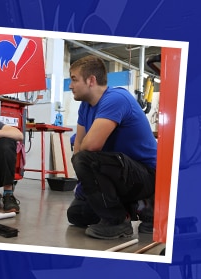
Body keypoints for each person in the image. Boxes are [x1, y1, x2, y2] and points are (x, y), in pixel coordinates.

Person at [64, 55, 159, 239]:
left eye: (74, 79)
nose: (70, 85)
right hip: (121, 173)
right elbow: (77, 150)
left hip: (146, 176)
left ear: (91, 80)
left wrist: (84, 152)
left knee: (85, 158)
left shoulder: (116, 98)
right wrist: (86, 188)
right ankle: (127, 207)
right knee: (77, 214)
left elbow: (90, 146)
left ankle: (118, 221)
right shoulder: (85, 107)